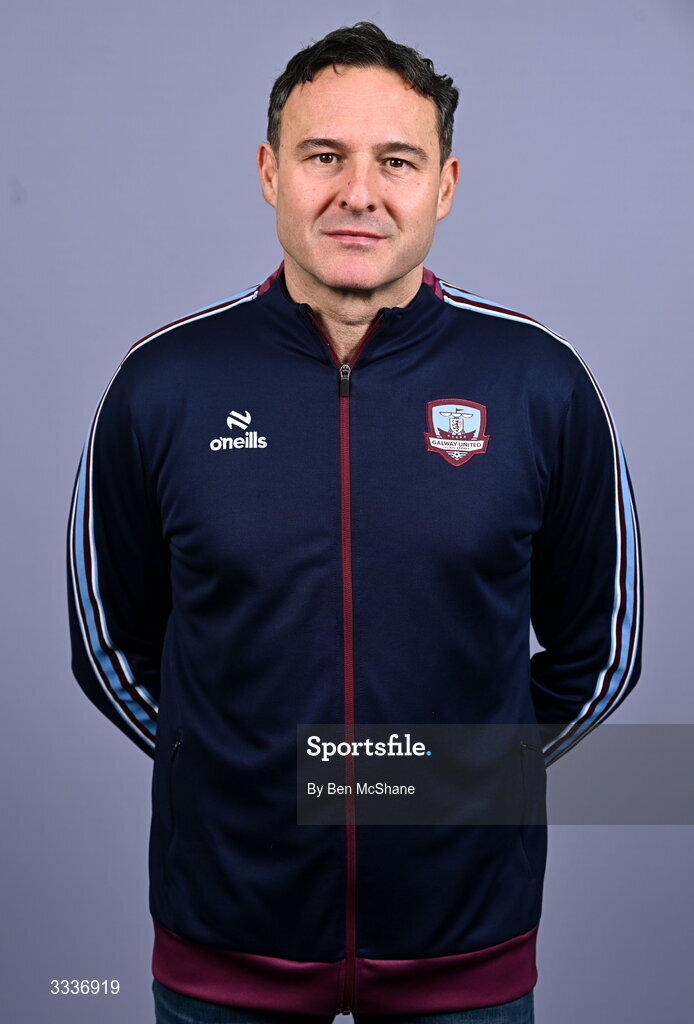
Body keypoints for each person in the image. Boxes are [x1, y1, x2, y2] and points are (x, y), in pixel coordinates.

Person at [66, 21, 643, 1024]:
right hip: (224, 952)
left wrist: (446, 783)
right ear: (269, 171)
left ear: (444, 186)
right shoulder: (163, 385)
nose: (359, 193)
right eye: (324, 155)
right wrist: (232, 768)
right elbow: (108, 640)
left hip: (464, 956)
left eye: (397, 161)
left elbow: (602, 651)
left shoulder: (541, 385)